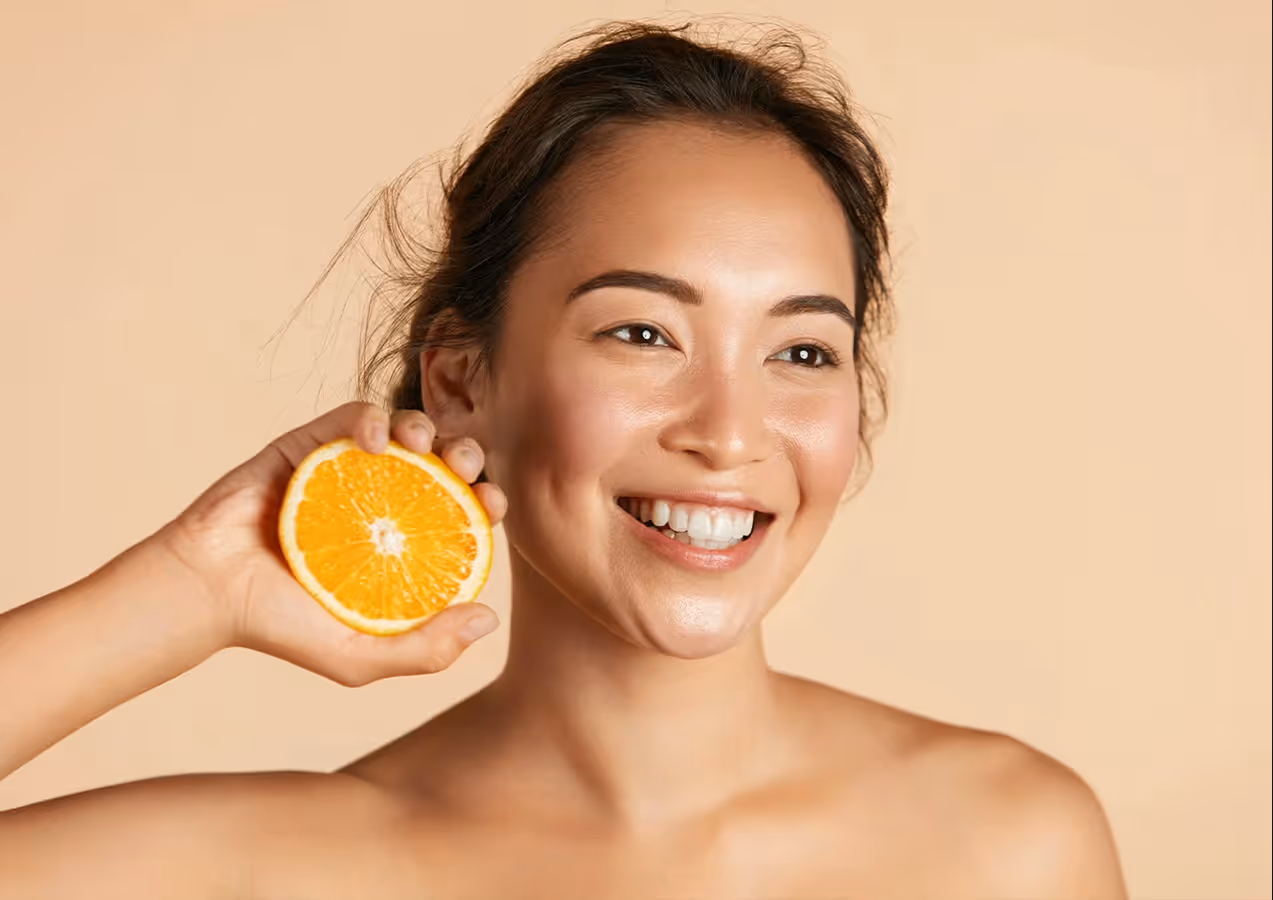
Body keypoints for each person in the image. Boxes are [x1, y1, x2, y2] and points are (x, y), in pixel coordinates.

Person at [0, 20, 1128, 899]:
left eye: (799, 349)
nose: (729, 432)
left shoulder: (1009, 845)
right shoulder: (276, 866)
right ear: (459, 378)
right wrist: (190, 587)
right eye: (641, 333)